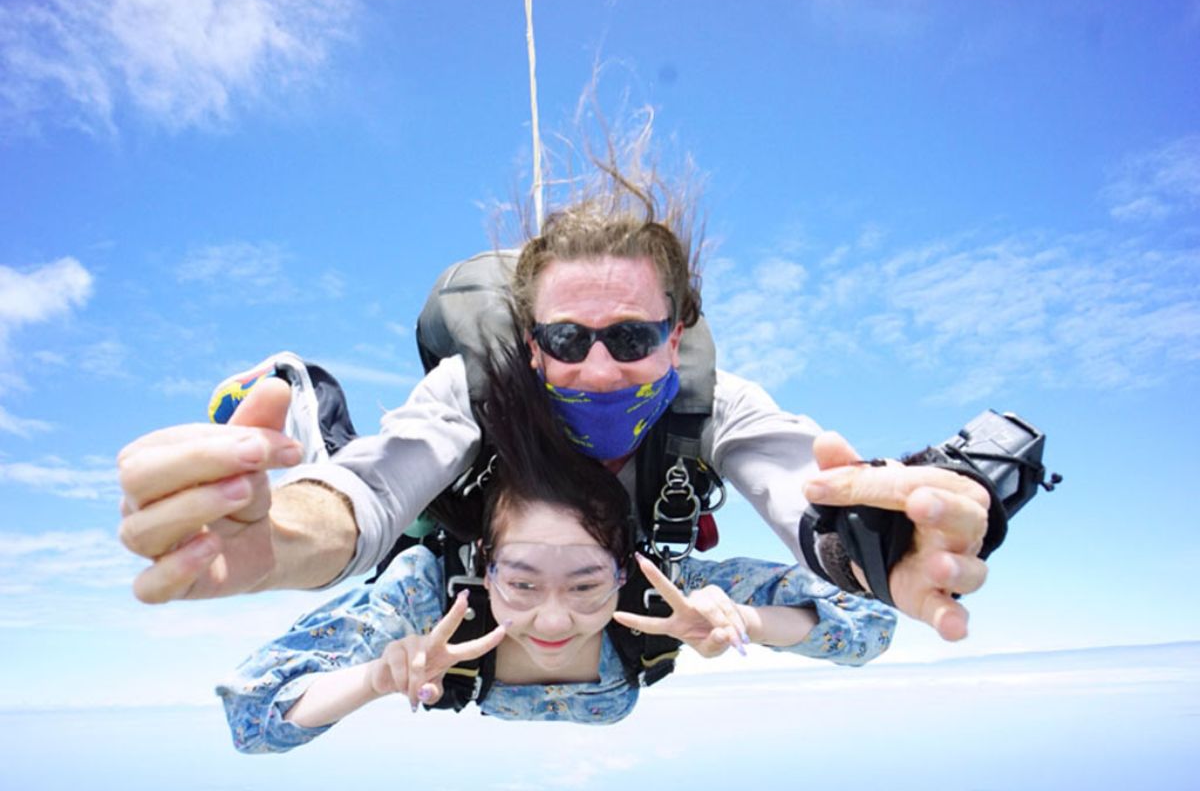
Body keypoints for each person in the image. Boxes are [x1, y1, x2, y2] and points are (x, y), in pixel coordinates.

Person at [117, 124, 991, 641]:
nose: (599, 368)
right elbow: (373, 490)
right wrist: (285, 541)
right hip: (464, 526)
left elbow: (795, 478)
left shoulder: (715, 404)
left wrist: (866, 543)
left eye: (634, 336)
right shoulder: (478, 386)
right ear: (531, 346)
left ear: (676, 335)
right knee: (390, 515)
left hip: (620, 546)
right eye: (567, 338)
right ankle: (302, 393)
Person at [217, 343, 895, 752]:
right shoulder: (430, 594)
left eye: (584, 584)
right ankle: (298, 385)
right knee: (369, 490)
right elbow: (251, 716)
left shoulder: (665, 590)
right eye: (519, 582)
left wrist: (746, 621)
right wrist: (375, 676)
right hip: (442, 531)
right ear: (484, 565)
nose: (551, 618)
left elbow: (872, 618)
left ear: (625, 568)